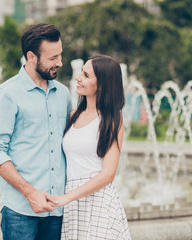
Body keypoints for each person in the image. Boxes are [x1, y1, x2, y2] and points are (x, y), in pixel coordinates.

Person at [0, 23, 72, 240]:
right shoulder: (7, 94)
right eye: (53, 58)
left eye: (60, 55)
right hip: (20, 211)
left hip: (57, 209)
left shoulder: (63, 93)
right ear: (31, 56)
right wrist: (29, 192)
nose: (59, 63)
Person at [48, 55, 131, 239]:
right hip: (73, 204)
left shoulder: (112, 119)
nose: (78, 77)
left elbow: (108, 174)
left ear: (101, 84)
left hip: (98, 200)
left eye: (86, 75)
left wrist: (66, 198)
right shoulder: (73, 116)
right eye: (81, 72)